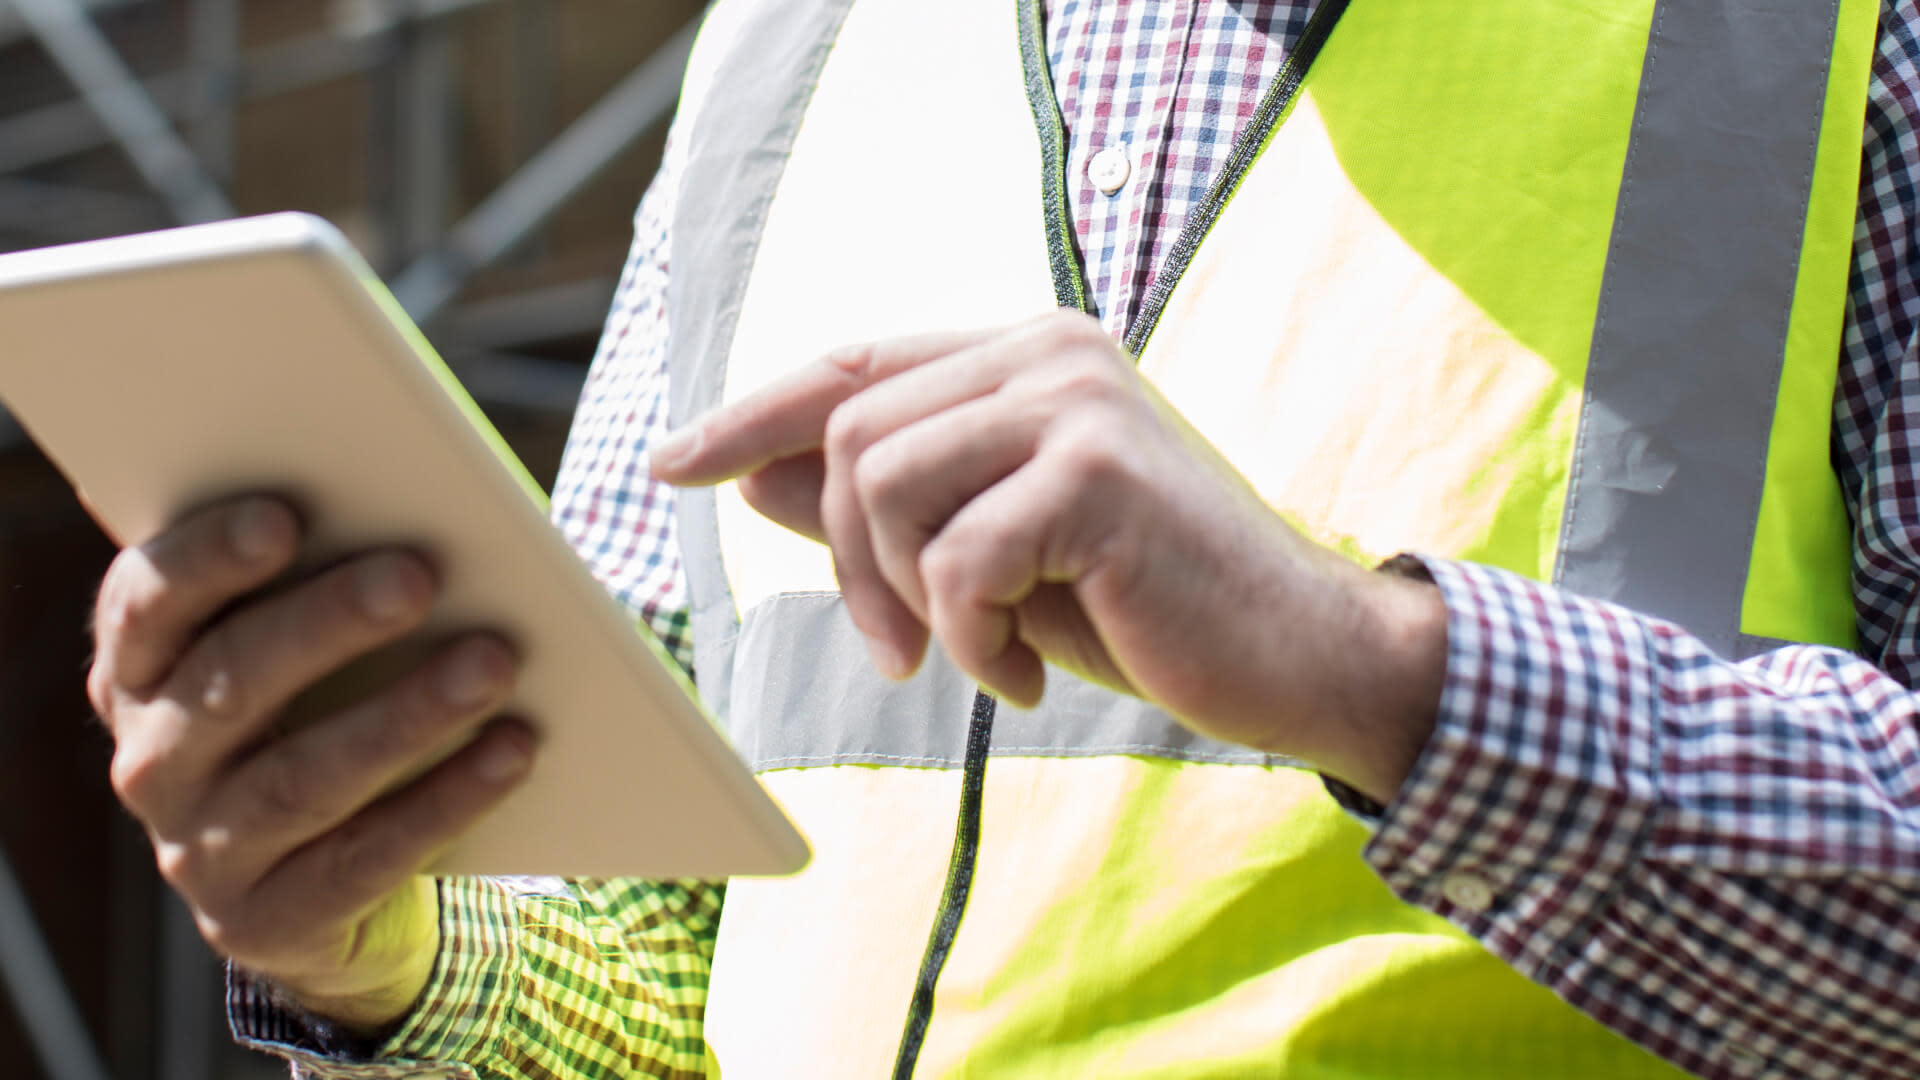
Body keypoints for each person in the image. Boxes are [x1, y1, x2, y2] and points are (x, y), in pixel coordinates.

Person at [88, 0, 1920, 1076]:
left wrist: (1383, 678)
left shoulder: (1836, 45)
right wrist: (384, 946)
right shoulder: (784, 55)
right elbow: (657, 980)